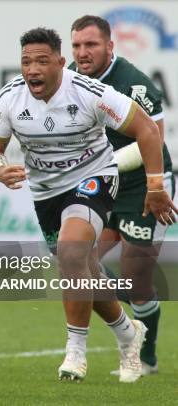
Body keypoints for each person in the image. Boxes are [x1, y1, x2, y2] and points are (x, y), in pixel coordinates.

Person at [0, 28, 176, 383]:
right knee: (84, 268)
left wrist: (154, 185)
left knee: (72, 254)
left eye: (42, 61)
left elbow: (148, 130)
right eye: (26, 62)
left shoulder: (91, 91)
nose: (33, 69)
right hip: (45, 193)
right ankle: (128, 333)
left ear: (60, 63)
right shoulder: (10, 98)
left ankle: (75, 351)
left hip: (95, 178)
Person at [69, 15, 172, 375]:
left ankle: (147, 358)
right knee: (77, 265)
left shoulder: (135, 84)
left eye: (91, 45)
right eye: (77, 45)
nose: (83, 53)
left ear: (110, 47)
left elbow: (154, 140)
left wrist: (156, 187)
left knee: (136, 278)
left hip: (144, 183)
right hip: (102, 183)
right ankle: (128, 331)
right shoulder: (69, 79)